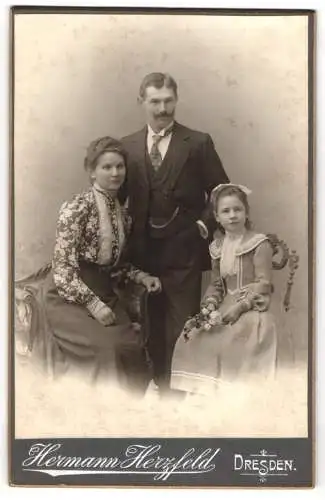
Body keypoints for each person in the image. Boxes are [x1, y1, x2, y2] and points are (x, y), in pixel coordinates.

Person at [17, 136, 161, 394]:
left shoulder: (124, 216)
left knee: (130, 346)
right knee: (106, 348)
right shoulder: (76, 208)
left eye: (119, 166)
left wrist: (141, 277)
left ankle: (132, 417)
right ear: (91, 171)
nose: (115, 173)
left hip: (104, 293)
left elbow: (116, 266)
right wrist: (93, 304)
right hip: (67, 298)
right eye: (106, 167)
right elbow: (62, 270)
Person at [120, 72, 230, 394]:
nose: (162, 108)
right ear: (142, 102)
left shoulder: (197, 142)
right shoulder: (126, 146)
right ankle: (153, 390)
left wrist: (205, 225)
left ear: (176, 100)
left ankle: (177, 396)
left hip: (184, 251)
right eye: (155, 101)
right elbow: (116, 198)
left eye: (168, 101)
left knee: (183, 324)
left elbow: (222, 190)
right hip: (142, 253)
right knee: (149, 324)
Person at [170, 183, 277, 396]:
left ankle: (231, 398)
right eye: (226, 211)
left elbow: (264, 284)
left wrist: (239, 307)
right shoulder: (217, 247)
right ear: (217, 217)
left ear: (246, 213)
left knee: (232, 341)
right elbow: (217, 284)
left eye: (238, 209)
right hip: (224, 305)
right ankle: (205, 395)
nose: (232, 216)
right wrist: (209, 304)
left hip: (251, 308)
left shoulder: (258, 244)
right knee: (193, 335)